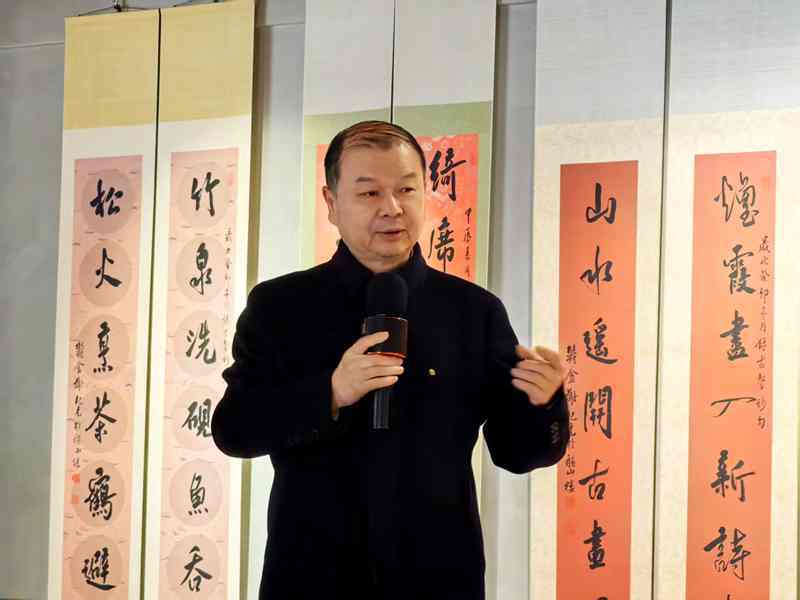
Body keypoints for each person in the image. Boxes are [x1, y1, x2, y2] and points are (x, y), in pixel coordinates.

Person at [211, 120, 569, 599]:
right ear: (331, 203)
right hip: (311, 575)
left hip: (440, 576)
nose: (392, 208)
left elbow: (518, 454)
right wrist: (330, 393)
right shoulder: (280, 306)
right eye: (369, 193)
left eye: (406, 189)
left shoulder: (473, 310)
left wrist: (544, 403)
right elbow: (234, 430)